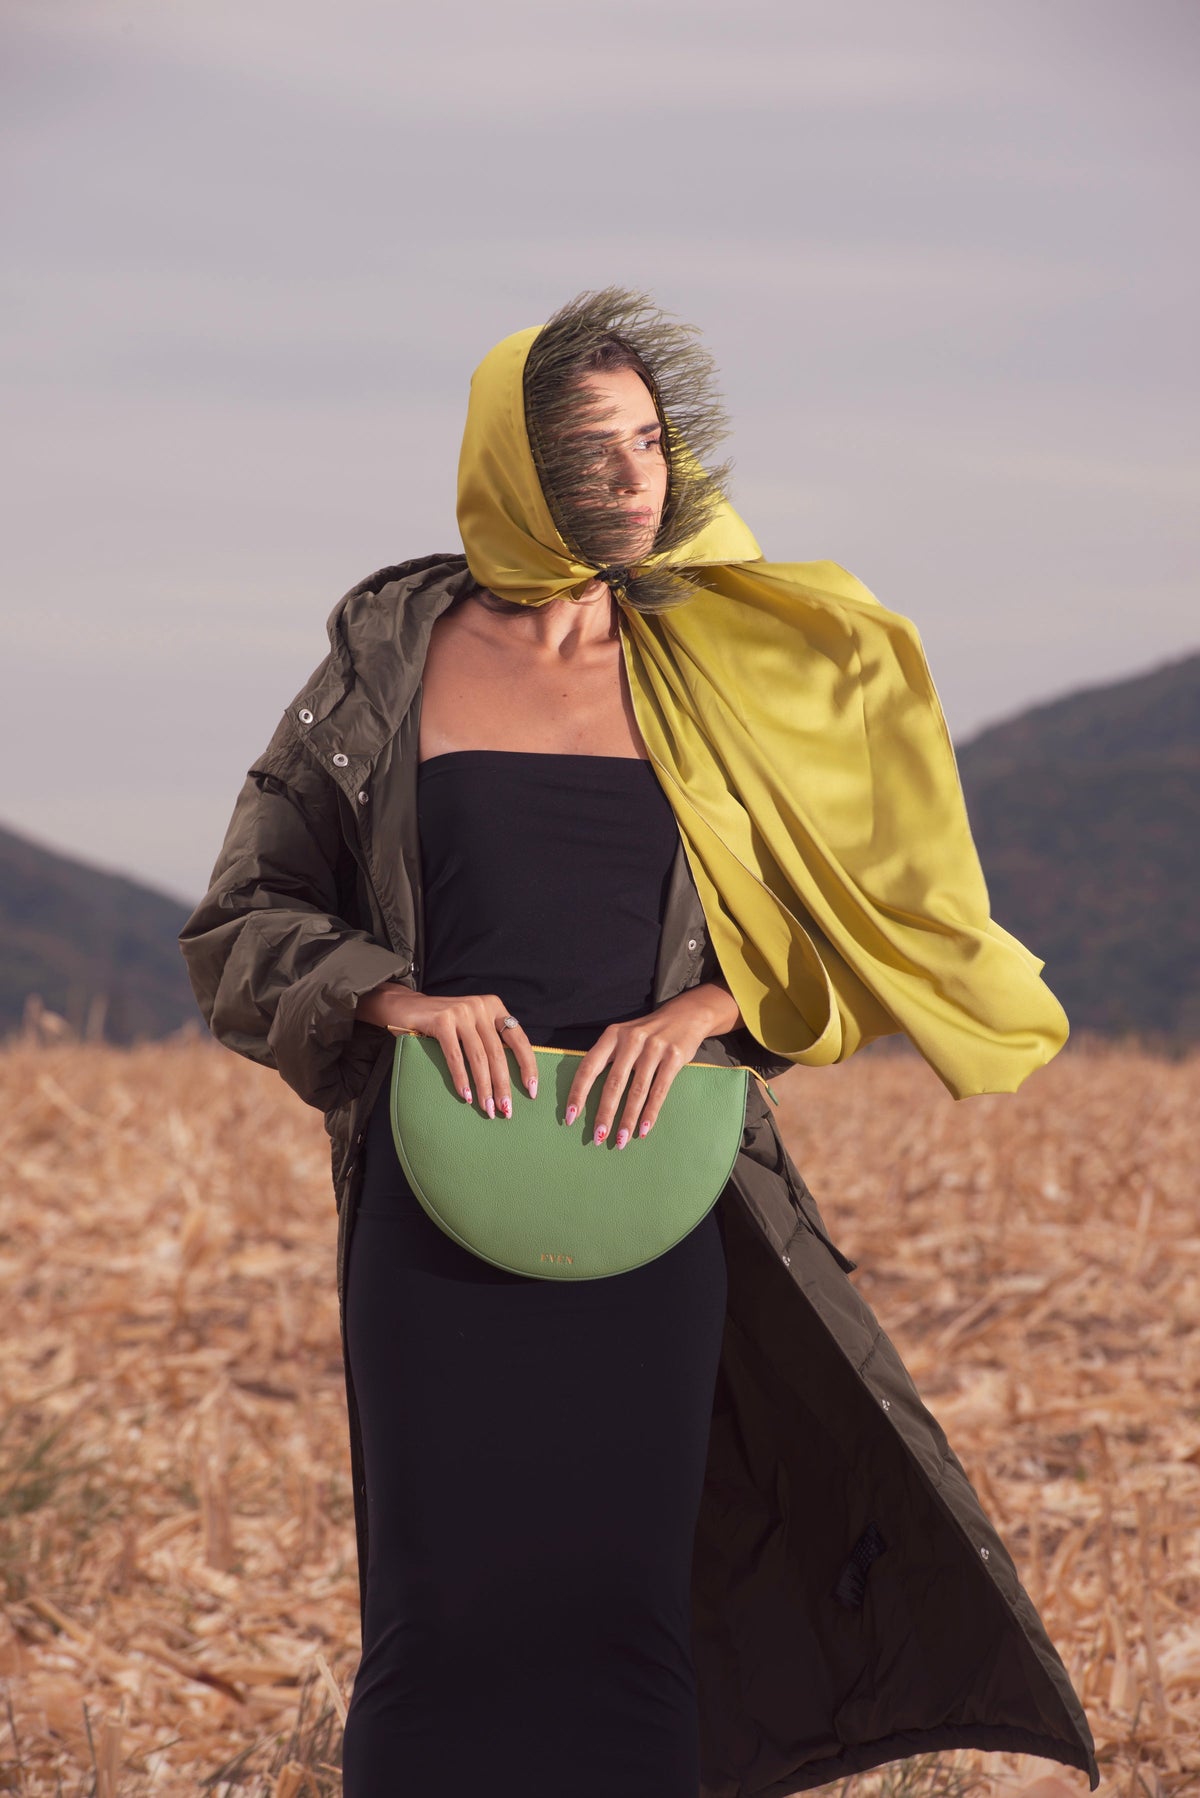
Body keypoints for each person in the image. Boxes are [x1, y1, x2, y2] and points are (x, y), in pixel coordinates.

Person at [179, 288, 1099, 1797]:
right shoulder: (389, 653)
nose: (631, 479)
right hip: (434, 1199)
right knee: (438, 1620)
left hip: (657, 1194)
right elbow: (243, 916)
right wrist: (393, 995)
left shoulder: (722, 661)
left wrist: (708, 1009)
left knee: (626, 1615)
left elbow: (868, 918)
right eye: (588, 452)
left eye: (650, 444)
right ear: (511, 466)